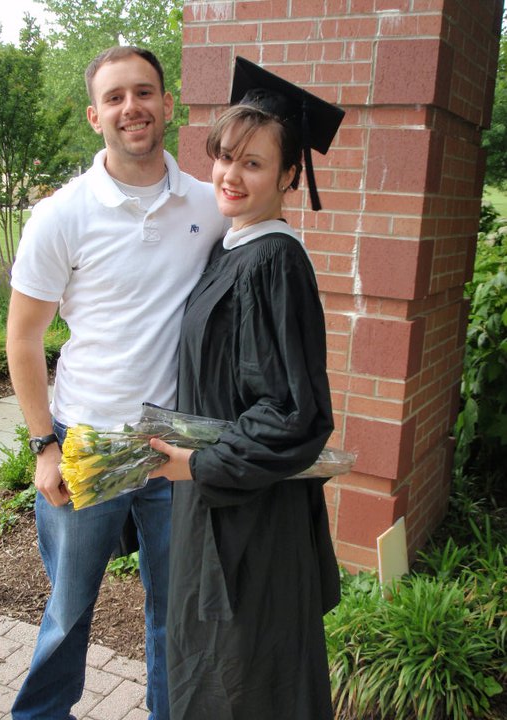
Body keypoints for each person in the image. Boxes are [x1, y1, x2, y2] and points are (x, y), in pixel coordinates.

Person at [6, 46, 228, 720]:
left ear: (167, 102)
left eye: (144, 92)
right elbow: (23, 338)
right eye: (114, 97)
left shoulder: (207, 204)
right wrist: (44, 444)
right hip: (85, 441)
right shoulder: (62, 215)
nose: (131, 107)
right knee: (70, 610)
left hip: (170, 448)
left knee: (174, 614)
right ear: (94, 114)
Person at [149, 57, 345, 720]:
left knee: (242, 681)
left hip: (250, 520)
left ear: (291, 175)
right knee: (210, 667)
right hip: (216, 506)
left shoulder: (273, 261)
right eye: (226, 156)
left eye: (254, 163)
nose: (231, 175)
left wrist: (199, 464)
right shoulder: (232, 246)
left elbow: (293, 413)